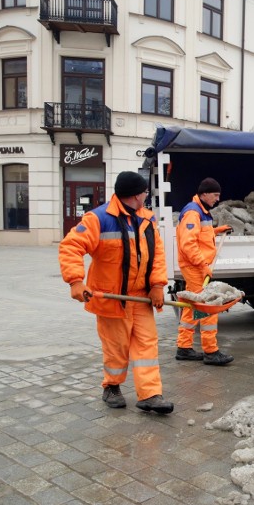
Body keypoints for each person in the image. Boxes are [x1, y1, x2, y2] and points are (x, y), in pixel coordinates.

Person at [59, 171, 173, 414]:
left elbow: (157, 256)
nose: (146, 196)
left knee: (146, 347)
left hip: (140, 297)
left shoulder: (148, 219)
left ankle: (150, 394)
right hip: (111, 298)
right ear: (135, 195)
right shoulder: (98, 218)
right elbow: (71, 246)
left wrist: (157, 285)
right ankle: (111, 386)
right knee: (117, 347)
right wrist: (75, 281)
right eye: (144, 192)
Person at [175, 178, 235, 365]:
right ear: (205, 194)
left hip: (196, 267)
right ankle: (211, 351)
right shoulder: (193, 212)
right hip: (195, 268)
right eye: (215, 195)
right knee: (208, 306)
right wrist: (203, 265)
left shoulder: (201, 211)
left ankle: (184, 347)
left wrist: (217, 230)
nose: (218, 199)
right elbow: (188, 244)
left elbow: (201, 235)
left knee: (192, 306)